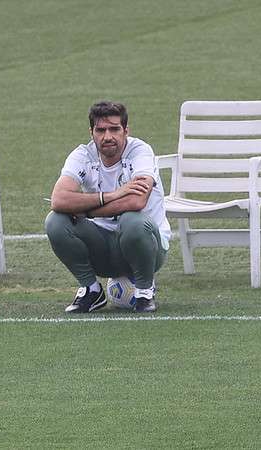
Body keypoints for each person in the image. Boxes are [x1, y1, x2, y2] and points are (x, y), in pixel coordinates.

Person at [45, 101, 170, 313]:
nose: (107, 136)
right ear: (92, 132)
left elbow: (136, 202)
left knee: (133, 220)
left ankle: (144, 291)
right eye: (101, 130)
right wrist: (113, 194)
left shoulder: (141, 152)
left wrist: (87, 211)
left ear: (126, 131)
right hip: (102, 248)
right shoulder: (83, 155)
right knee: (55, 221)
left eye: (114, 129)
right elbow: (59, 199)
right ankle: (91, 290)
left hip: (147, 246)